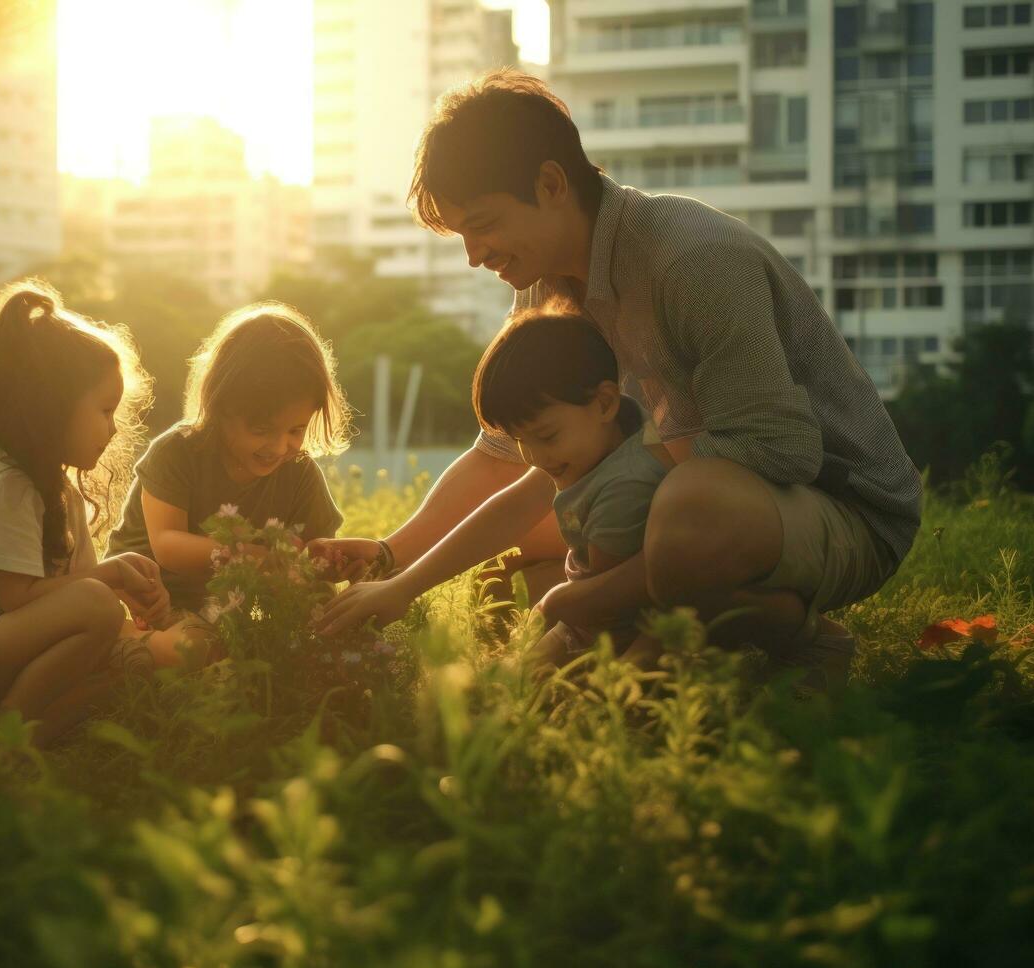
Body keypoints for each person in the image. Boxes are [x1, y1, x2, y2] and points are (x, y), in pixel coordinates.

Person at [315, 69, 922, 676]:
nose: (475, 254)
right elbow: (507, 458)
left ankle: (771, 635)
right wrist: (393, 564)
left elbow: (780, 448)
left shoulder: (694, 261)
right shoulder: (544, 286)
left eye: (483, 224)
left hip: (839, 511)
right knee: (561, 511)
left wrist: (591, 590)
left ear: (550, 183)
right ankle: (628, 638)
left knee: (682, 504)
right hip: (692, 510)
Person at [0, 281, 181, 748]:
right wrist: (111, 579)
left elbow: (81, 602)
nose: (113, 428)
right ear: (53, 408)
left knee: (125, 666)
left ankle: (30, 733)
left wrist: (134, 601)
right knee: (97, 606)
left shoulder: (59, 491)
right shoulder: (8, 482)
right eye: (105, 411)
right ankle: (6, 736)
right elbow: (21, 598)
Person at [106, 301, 353, 614]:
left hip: (233, 613)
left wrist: (327, 564)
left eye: (295, 430)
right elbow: (168, 546)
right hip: (152, 600)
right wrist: (255, 556)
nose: (279, 448)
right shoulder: (177, 453)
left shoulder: (299, 473)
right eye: (262, 430)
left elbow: (317, 562)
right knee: (192, 645)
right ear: (220, 408)